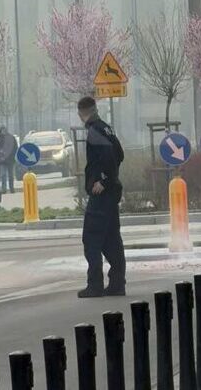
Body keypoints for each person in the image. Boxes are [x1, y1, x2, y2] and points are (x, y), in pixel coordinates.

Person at [77, 96, 126, 298]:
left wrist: (102, 180)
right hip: (112, 193)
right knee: (111, 238)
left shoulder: (94, 131)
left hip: (102, 194)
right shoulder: (106, 127)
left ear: (81, 113)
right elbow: (120, 154)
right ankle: (117, 284)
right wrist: (110, 179)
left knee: (92, 238)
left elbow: (109, 157)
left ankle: (95, 285)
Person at [0, 126, 17, 195]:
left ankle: (12, 188)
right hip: (2, 160)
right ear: (0, 131)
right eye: (2, 130)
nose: (4, 131)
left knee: (11, 175)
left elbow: (15, 147)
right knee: (3, 175)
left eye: (5, 130)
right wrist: (0, 151)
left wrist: (11, 153)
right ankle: (3, 189)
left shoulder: (11, 138)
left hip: (10, 159)